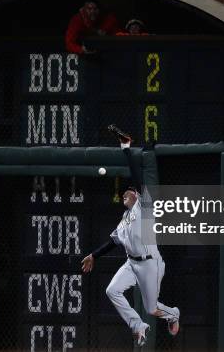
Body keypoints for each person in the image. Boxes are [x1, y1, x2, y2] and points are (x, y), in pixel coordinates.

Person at [81, 132, 180, 347]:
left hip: (149, 263)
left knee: (152, 309)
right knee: (112, 290)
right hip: (131, 263)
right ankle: (137, 325)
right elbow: (113, 242)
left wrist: (126, 150)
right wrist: (93, 255)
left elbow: (136, 177)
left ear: (137, 194)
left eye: (129, 191)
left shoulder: (144, 207)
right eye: (124, 192)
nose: (125, 193)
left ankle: (172, 314)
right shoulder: (125, 219)